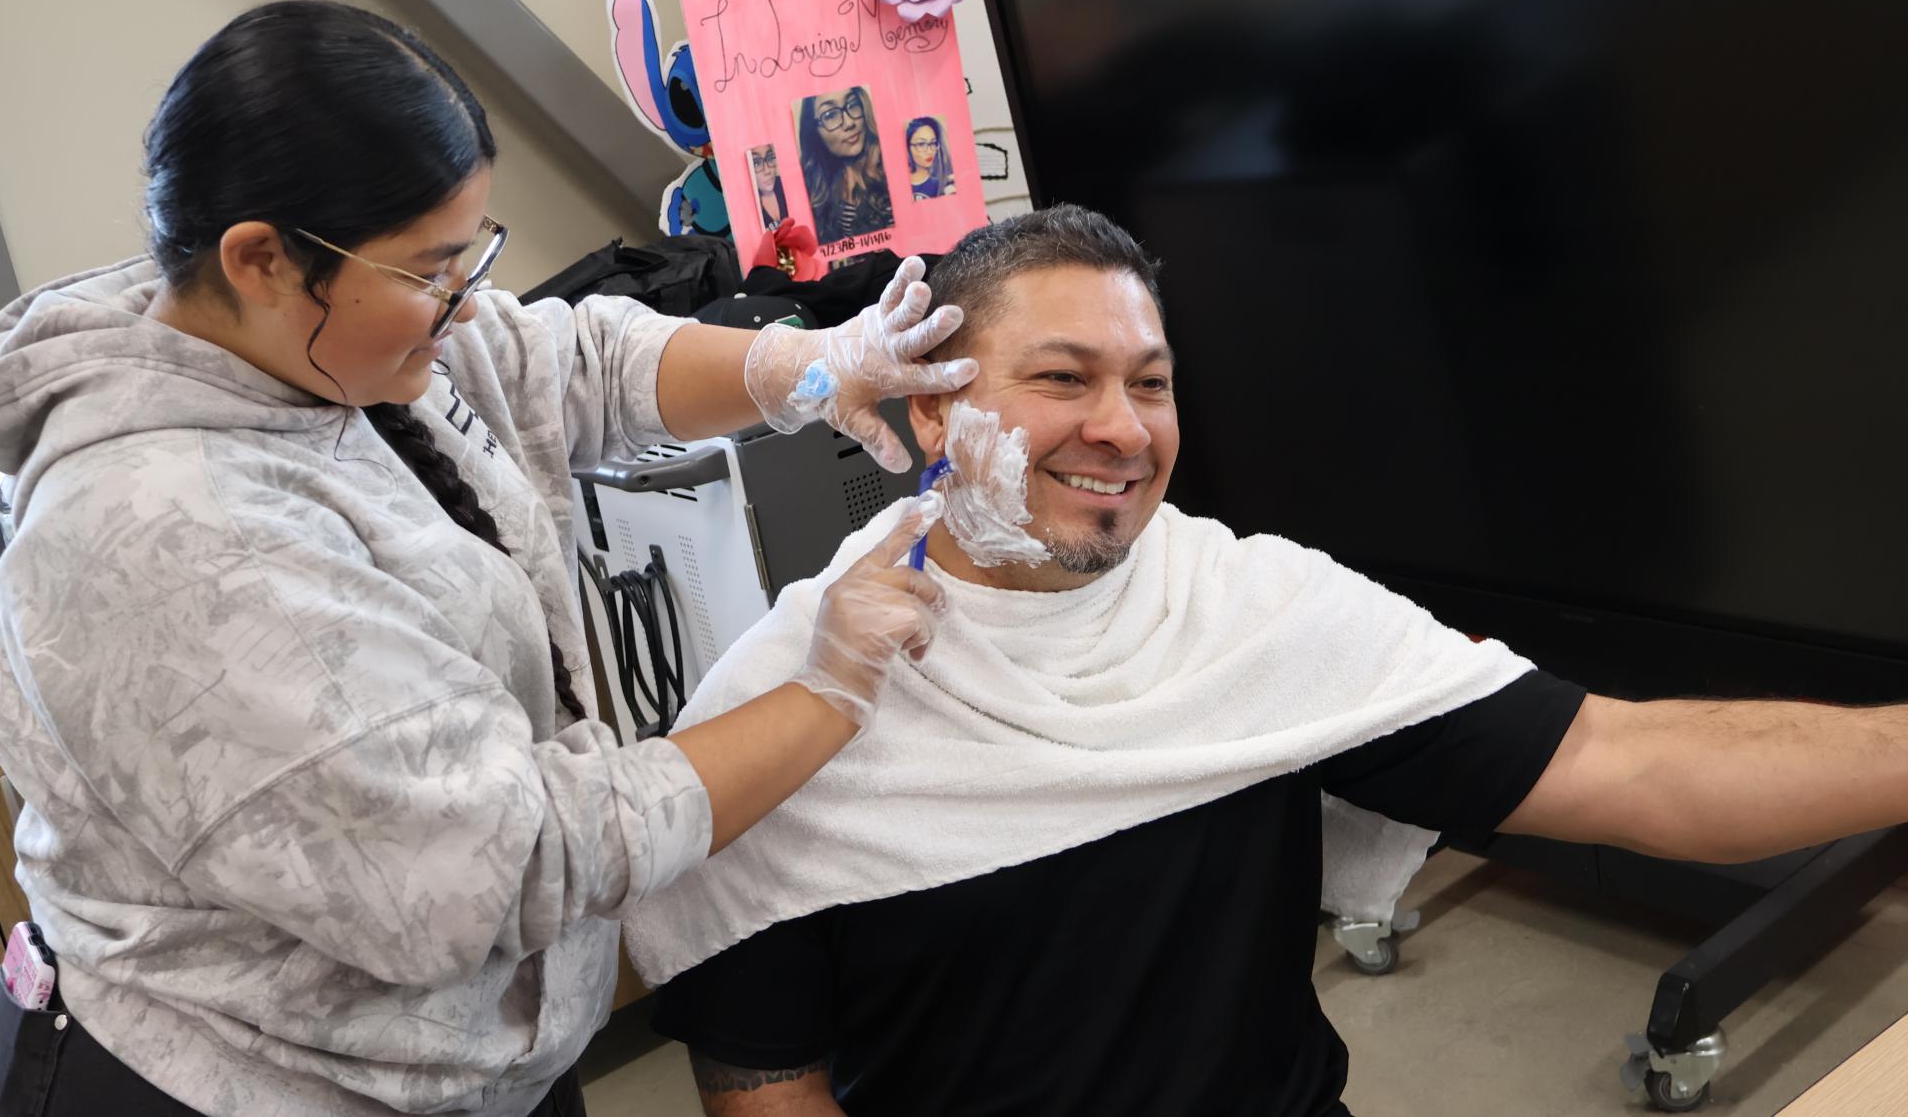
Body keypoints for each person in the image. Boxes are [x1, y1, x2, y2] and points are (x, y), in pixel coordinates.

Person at [0, 0, 979, 1117]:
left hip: (471, 1051)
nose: (465, 301)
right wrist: (825, 688)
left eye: (474, 255)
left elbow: (559, 359)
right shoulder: (168, 540)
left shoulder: (319, 341)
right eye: (434, 270)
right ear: (261, 260)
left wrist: (812, 364)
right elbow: (506, 857)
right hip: (245, 1076)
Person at [632, 204, 1908, 1117]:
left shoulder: (1248, 609)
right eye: (1063, 377)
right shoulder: (792, 697)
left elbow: (1630, 766)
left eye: (1153, 381)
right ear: (930, 406)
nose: (1122, 429)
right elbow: (764, 1078)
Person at [797, 87, 893, 246]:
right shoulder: (817, 190)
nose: (849, 123)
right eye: (830, 115)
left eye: (853, 104)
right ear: (814, 132)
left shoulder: (888, 170)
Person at [903, 117, 953, 200]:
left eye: (933, 143)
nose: (930, 151)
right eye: (921, 144)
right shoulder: (898, 184)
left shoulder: (942, 185)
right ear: (908, 147)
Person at [751, 144, 788, 230]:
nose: (767, 171)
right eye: (756, 163)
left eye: (770, 158)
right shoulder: (749, 207)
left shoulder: (785, 184)